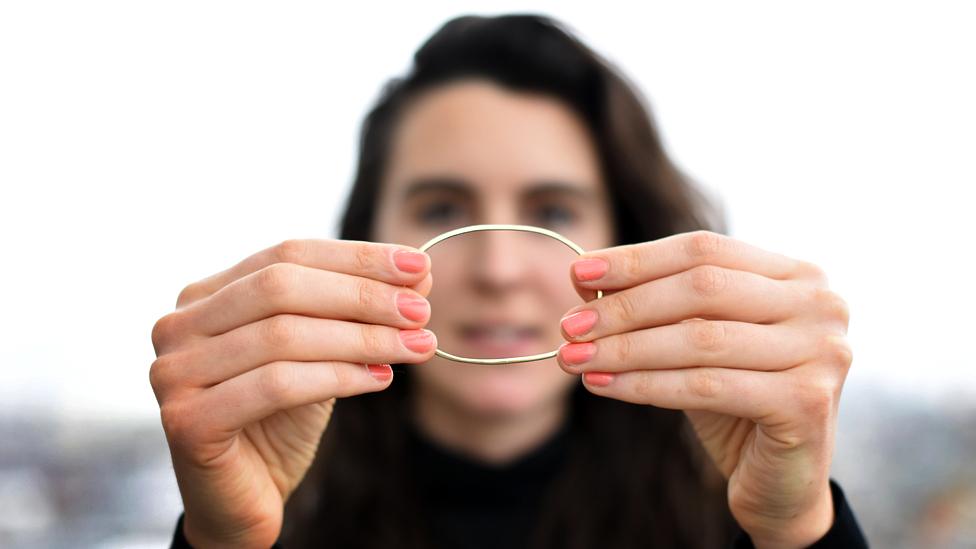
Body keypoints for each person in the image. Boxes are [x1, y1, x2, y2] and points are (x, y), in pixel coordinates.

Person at [151, 14, 868, 549]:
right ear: (367, 239)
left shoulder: (737, 521)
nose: (497, 268)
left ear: (628, 241)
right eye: (441, 208)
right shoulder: (271, 516)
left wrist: (801, 532)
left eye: (552, 210)